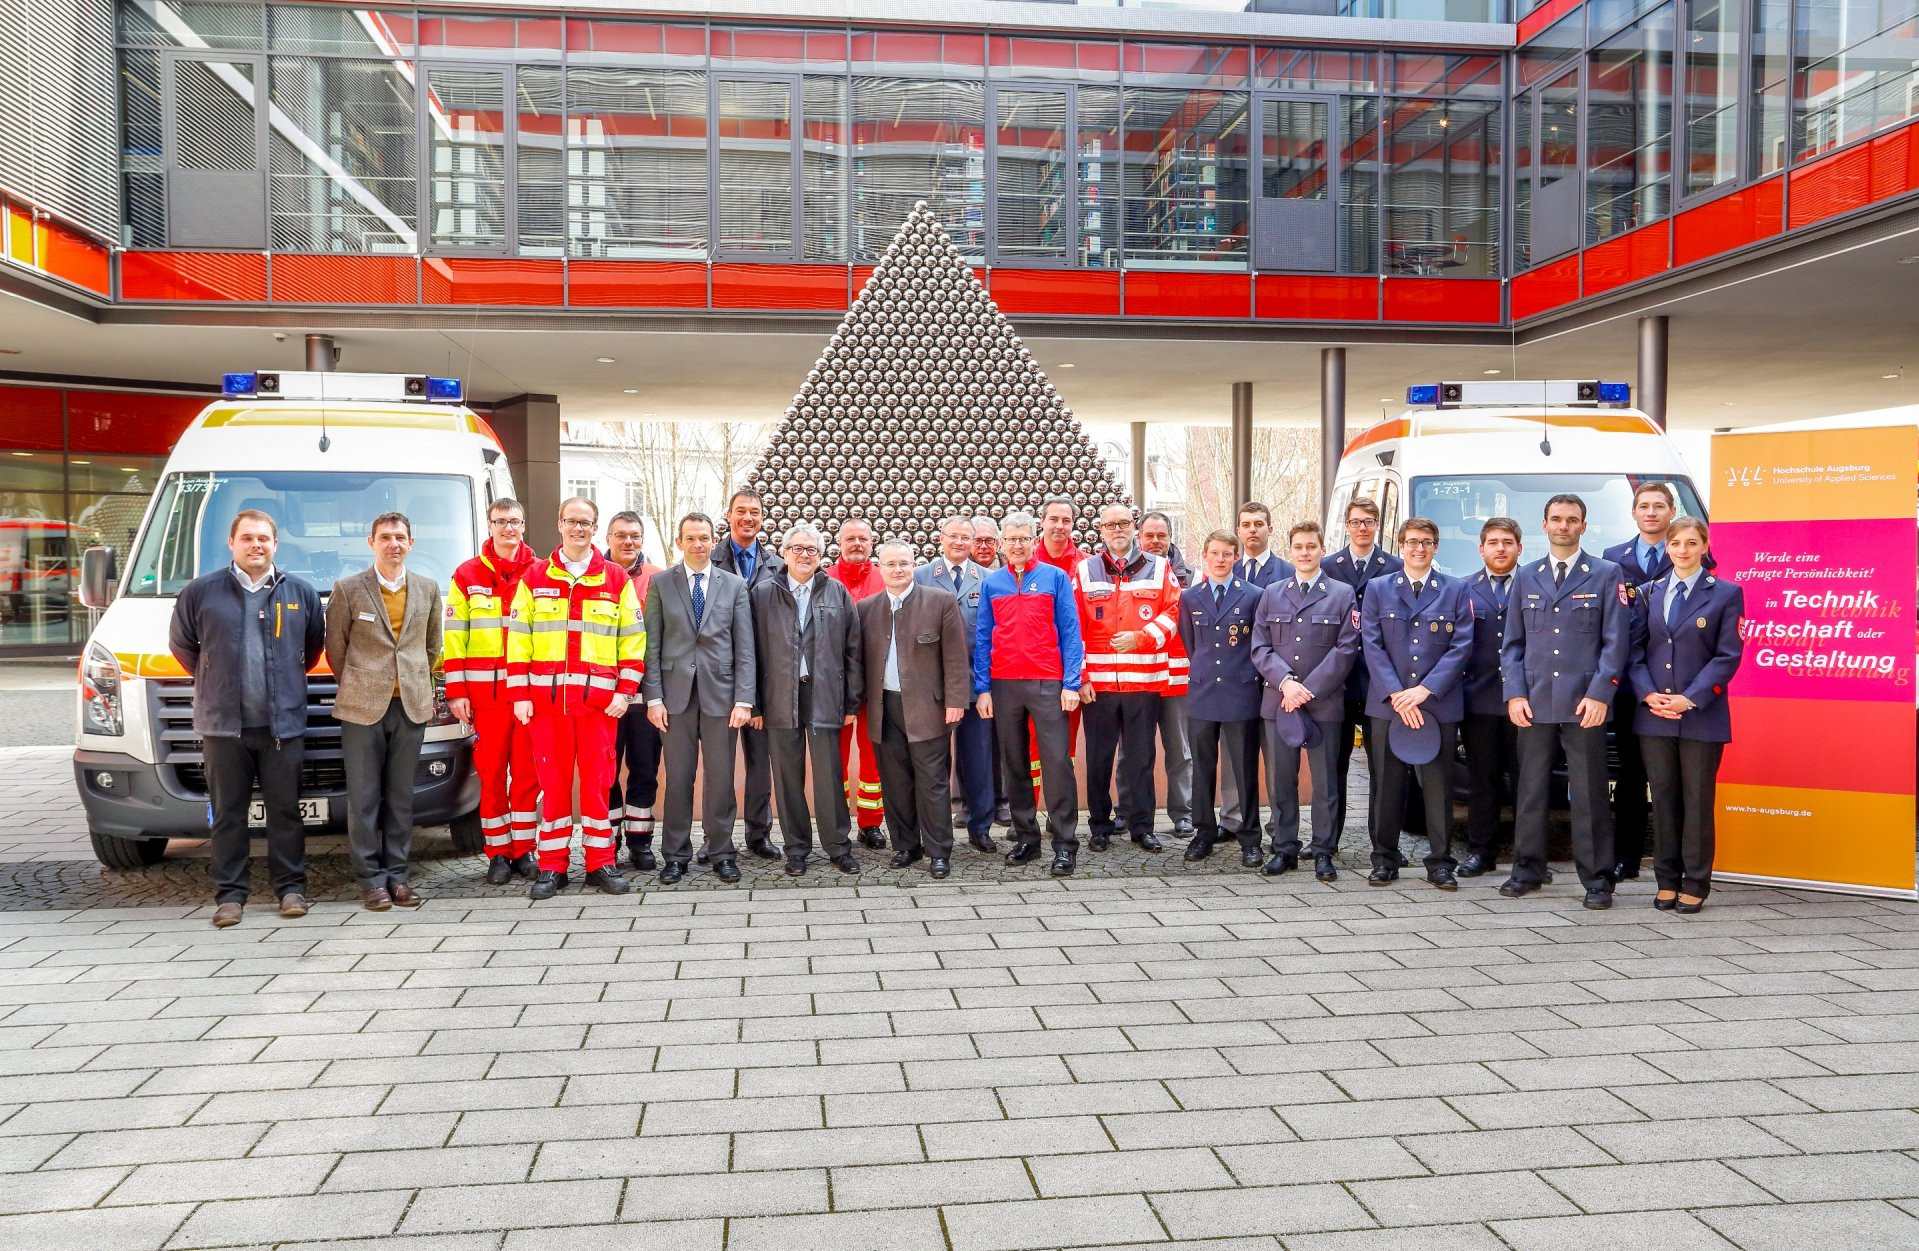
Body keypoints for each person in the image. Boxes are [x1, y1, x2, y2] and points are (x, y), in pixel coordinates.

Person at [170, 509, 324, 928]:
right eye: (248, 538)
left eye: (264, 538)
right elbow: (185, 648)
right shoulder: (201, 592)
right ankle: (230, 896)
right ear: (232, 543)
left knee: (286, 811)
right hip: (223, 726)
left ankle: (291, 889)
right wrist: (216, 675)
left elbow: (309, 652)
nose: (256, 545)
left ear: (276, 544)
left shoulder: (300, 593)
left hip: (282, 726)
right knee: (227, 814)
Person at [507, 497, 646, 900]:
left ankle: (601, 862)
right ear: (559, 524)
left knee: (599, 786)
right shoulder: (534, 577)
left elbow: (633, 641)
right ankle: (552, 867)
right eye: (572, 522)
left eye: (586, 523)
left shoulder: (615, 579)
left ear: (595, 528)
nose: (578, 529)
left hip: (599, 706)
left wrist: (626, 691)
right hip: (548, 706)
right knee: (552, 786)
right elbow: (518, 641)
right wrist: (520, 694)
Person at [1498, 494, 1631, 910]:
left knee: (1590, 793)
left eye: (1571, 520)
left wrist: (1600, 695)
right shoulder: (1527, 576)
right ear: (1544, 524)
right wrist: (1515, 693)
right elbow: (1512, 645)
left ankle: (1597, 879)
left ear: (1583, 527)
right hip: (1534, 703)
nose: (1563, 526)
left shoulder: (1607, 574)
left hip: (1583, 703)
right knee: (1531, 790)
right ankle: (1528, 870)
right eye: (1556, 519)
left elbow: (1615, 643)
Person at [326, 511, 443, 910]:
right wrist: (362, 683)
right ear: (371, 542)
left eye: (400, 537)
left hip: (409, 704)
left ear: (411, 543)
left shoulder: (427, 589)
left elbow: (432, 647)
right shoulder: (348, 589)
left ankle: (398, 875)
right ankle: (370, 879)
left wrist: (414, 680)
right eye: (385, 536)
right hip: (362, 708)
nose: (393, 543)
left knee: (400, 796)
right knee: (364, 797)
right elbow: (335, 649)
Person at [1628, 516, 1743, 913]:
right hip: (1654, 714)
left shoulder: (1726, 593)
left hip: (1701, 716)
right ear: (1668, 546)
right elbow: (1635, 652)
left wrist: (1690, 699)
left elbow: (1727, 656)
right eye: (1675, 543)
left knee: (1696, 802)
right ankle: (1666, 880)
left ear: (1704, 546)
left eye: (1691, 543)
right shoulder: (1648, 592)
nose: (1682, 550)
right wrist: (1648, 695)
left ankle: (1695, 882)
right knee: (1662, 799)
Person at [1601, 481, 1713, 883]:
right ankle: (1625, 859)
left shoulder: (1692, 556)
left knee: (1681, 783)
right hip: (1634, 689)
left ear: (1671, 512)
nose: (1651, 512)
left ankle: (1681, 863)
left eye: (1659, 506)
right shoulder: (1613, 559)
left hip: (1683, 690)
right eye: (1644, 506)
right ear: (1633, 513)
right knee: (1631, 776)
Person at [1359, 518, 1473, 890]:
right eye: (1411, 542)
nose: (1418, 548)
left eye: (1426, 542)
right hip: (1389, 704)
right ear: (1401, 546)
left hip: (1435, 704)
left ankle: (1440, 862)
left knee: (1438, 788)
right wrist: (1396, 692)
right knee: (1387, 783)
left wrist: (1424, 691)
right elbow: (1371, 645)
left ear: (1436, 547)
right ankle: (1384, 858)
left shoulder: (1455, 590)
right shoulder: (1378, 588)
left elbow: (1461, 647)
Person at [644, 512, 756, 884]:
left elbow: (745, 647)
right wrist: (653, 698)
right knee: (678, 778)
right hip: (674, 698)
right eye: (690, 538)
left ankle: (721, 851)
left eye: (704, 538)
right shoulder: (661, 583)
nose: (697, 544)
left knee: (721, 777)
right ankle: (675, 856)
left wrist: (744, 698)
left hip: (722, 697)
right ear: (679, 542)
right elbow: (653, 645)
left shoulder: (735, 585)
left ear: (713, 540)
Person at [975, 511, 1085, 875]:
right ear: (1002, 545)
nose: (1017, 545)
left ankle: (1065, 843)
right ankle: (1026, 838)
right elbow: (983, 637)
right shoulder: (993, 584)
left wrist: (1071, 682)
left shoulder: (1054, 578)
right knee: (1015, 764)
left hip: (1048, 683)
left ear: (1034, 540)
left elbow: (1071, 632)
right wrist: (983, 688)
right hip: (1005, 685)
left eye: (1024, 538)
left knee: (1056, 763)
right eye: (1011, 540)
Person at [1249, 520, 1360, 881]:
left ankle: (1324, 850)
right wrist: (1286, 683)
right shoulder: (1273, 593)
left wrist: (1307, 688)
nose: (1305, 553)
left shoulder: (1342, 594)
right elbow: (1260, 647)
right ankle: (1284, 848)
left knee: (1326, 782)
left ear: (1322, 550)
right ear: (1290, 550)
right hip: (1279, 702)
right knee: (1281, 780)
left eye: (1312, 546)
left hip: (1323, 702)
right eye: (1299, 547)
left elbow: (1346, 649)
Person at [754, 523, 862, 877]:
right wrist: (755, 704)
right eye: (797, 548)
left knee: (830, 774)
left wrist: (851, 702)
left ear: (821, 555)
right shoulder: (762, 593)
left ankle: (838, 846)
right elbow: (750, 652)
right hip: (779, 696)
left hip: (825, 695)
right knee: (787, 776)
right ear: (783, 553)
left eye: (811, 550)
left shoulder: (837, 592)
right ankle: (796, 848)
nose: (804, 555)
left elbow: (852, 651)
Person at [1074, 502, 1179, 854]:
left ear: (1133, 527)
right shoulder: (1085, 570)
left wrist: (1142, 637)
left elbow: (1172, 613)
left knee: (1141, 759)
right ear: (1100, 531)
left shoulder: (1161, 567)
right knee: (1099, 760)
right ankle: (1100, 826)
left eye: (1123, 523)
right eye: (1109, 525)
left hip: (1144, 683)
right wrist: (1082, 677)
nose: (1117, 530)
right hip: (1099, 686)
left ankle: (1142, 827)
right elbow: (1074, 628)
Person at [861, 540, 971, 878]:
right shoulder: (866, 608)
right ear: (880, 568)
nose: (898, 570)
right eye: (891, 564)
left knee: (932, 782)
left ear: (914, 566)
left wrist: (955, 700)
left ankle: (938, 851)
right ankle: (906, 846)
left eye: (904, 564)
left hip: (929, 708)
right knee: (895, 782)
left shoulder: (939, 602)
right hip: (885, 707)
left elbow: (955, 656)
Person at [446, 498, 541, 884]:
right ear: (489, 526)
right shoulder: (467, 574)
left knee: (526, 774)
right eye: (500, 522)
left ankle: (525, 849)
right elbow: (454, 637)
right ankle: (498, 852)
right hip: (484, 696)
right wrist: (456, 690)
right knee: (490, 774)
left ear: (524, 526)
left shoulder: (540, 571)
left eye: (514, 522)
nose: (508, 529)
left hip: (528, 696)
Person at [1323, 496, 1405, 853]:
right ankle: (1328, 839)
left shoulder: (1397, 566)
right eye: (1356, 521)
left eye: (1369, 521)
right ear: (1346, 525)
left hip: (1379, 682)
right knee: (1333, 767)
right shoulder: (1327, 566)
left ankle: (1384, 844)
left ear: (1377, 526)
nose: (1362, 528)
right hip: (1338, 682)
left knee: (1384, 770)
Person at [1177, 531, 1264, 864]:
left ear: (1236, 558)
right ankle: (1203, 833)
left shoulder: (1253, 595)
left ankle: (1250, 837)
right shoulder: (1190, 597)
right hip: (1202, 691)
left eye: (1228, 554)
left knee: (1244, 768)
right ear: (1204, 555)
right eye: (1215, 553)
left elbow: (1256, 644)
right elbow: (1190, 643)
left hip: (1240, 690)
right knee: (1202, 767)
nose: (1221, 559)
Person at [710, 489, 785, 862]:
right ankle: (717, 839)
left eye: (754, 512)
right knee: (720, 764)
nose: (748, 518)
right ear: (728, 515)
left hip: (765, 680)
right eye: (741, 511)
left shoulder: (778, 565)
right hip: (719, 680)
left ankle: (759, 834)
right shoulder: (709, 560)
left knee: (760, 764)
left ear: (762, 518)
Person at [916, 515, 997, 853]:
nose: (961, 543)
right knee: (935, 763)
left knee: (978, 760)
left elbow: (992, 635)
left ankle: (981, 828)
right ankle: (934, 832)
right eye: (955, 536)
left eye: (968, 537)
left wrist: (986, 687)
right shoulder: (921, 576)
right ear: (941, 538)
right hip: (933, 688)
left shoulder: (989, 579)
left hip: (975, 685)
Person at [1457, 517, 1524, 878]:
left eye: (1507, 542)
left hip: (1525, 701)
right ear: (1481, 548)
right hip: (1479, 700)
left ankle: (1530, 855)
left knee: (1528, 780)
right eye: (1493, 542)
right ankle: (1481, 851)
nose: (1501, 548)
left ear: (1519, 548)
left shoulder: (1535, 585)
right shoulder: (1463, 589)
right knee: (1482, 780)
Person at [604, 511, 665, 871]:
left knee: (645, 768)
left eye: (635, 536)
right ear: (608, 539)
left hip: (645, 692)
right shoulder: (595, 576)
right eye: (621, 535)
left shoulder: (659, 578)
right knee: (606, 771)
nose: (629, 542)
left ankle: (640, 843)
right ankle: (607, 840)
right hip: (603, 693)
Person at [828, 517, 888, 848]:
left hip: (874, 685)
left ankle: (870, 823)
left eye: (862, 539)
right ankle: (838, 824)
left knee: (872, 757)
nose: (857, 544)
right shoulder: (825, 579)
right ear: (839, 543)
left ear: (872, 543)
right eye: (850, 538)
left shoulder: (883, 578)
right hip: (835, 685)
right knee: (834, 758)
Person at [1136, 510, 1196, 839]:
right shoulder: (1125, 574)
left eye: (1161, 535)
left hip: (1177, 678)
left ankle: (1183, 813)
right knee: (1132, 750)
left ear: (1170, 537)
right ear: (1139, 538)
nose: (1155, 541)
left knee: (1180, 750)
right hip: (1138, 677)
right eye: (1149, 536)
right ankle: (1129, 812)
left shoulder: (1192, 577)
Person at [1036, 496, 1087, 573]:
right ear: (1042, 522)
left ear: (1072, 524)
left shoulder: (1087, 564)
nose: (1060, 526)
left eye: (1066, 520)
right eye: (1053, 519)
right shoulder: (1025, 562)